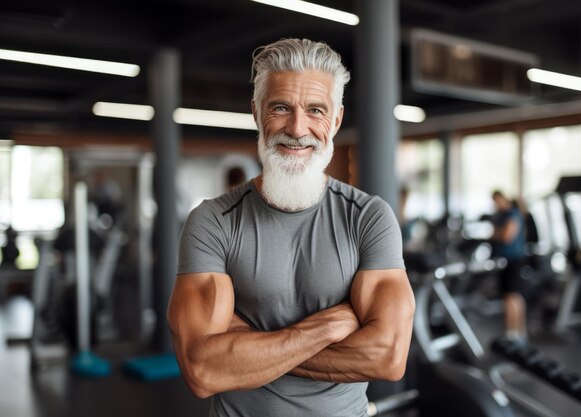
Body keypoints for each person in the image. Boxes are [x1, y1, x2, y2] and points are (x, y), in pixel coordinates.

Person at [167, 38, 415, 417]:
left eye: (315, 110)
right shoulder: (212, 222)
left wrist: (250, 346)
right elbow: (203, 370)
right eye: (280, 107)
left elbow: (388, 357)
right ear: (256, 112)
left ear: (335, 120)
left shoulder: (368, 218)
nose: (298, 129)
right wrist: (323, 329)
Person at [490, 190, 528, 344]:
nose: (495, 204)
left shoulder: (512, 214)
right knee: (512, 296)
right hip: (506, 260)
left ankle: (513, 333)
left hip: (512, 260)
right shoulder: (503, 215)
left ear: (502, 199)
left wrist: (496, 233)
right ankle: (518, 333)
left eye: (496, 201)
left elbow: (506, 236)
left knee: (511, 297)